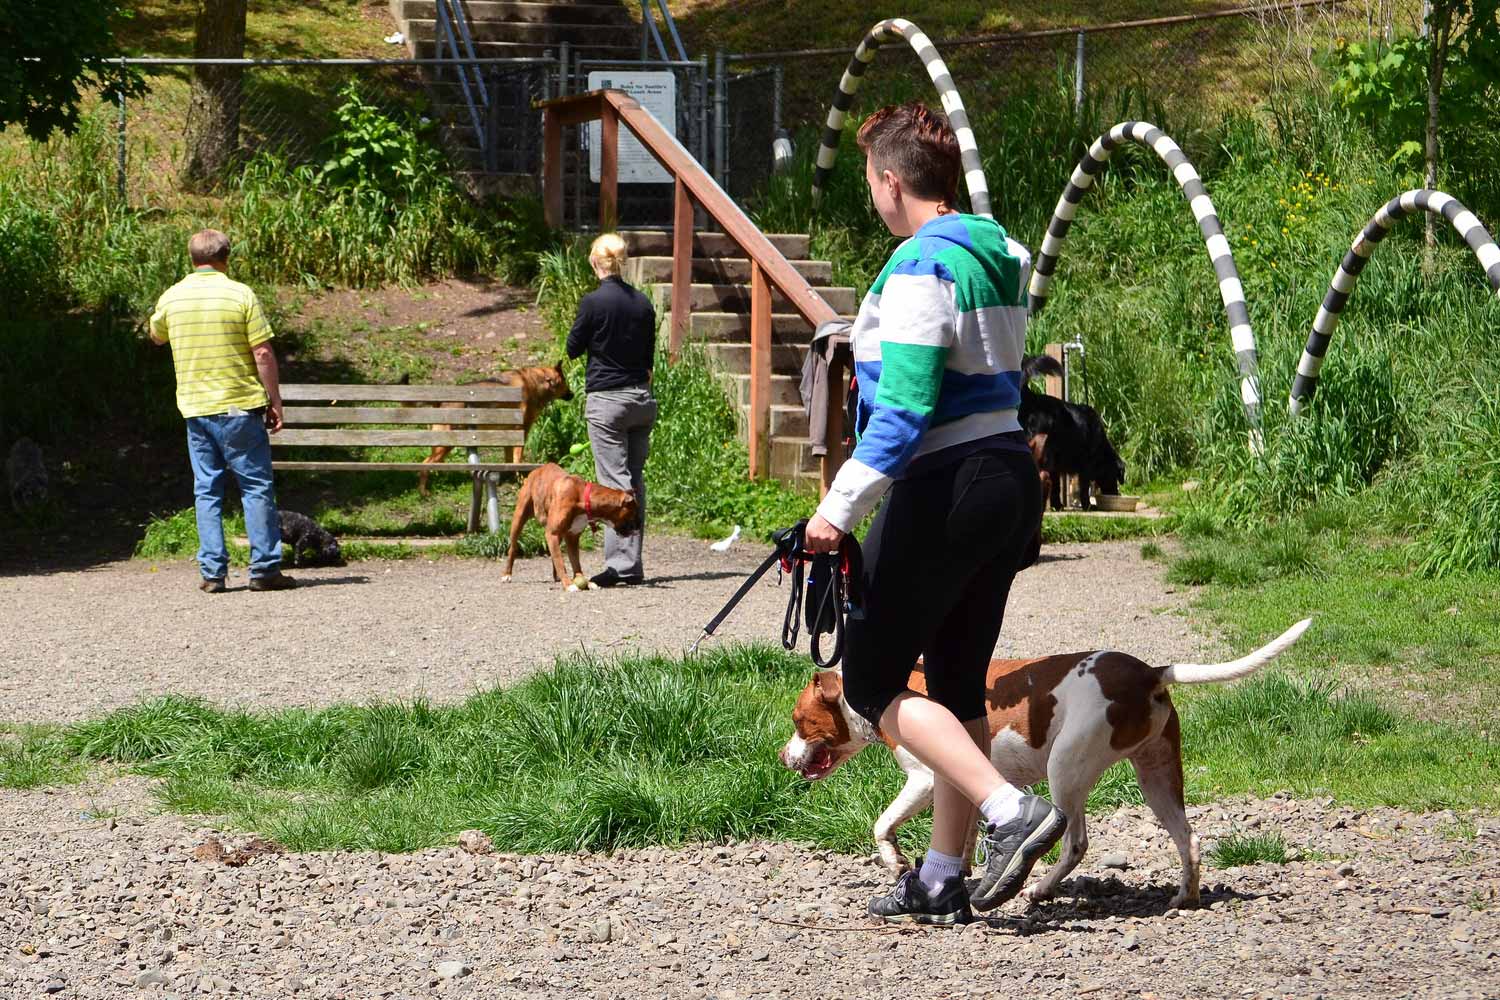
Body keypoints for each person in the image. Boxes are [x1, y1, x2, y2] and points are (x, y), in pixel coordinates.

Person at [802, 103, 1060, 924]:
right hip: (1008, 477)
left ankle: (1010, 812)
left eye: (872, 186)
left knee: (875, 682)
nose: (874, 201)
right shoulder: (996, 252)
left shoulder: (918, 266)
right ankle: (943, 874)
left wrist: (836, 510)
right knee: (954, 682)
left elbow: (906, 408)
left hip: (945, 482)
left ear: (889, 180)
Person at [149, 229, 295, 594]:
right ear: (226, 257)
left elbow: (156, 335)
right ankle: (264, 569)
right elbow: (262, 353)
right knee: (256, 486)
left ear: (191, 258)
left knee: (207, 490)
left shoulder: (173, 296)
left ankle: (213, 572)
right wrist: (274, 400)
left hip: (196, 408)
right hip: (239, 407)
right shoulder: (240, 294)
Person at [566, 233, 657, 588]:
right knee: (634, 479)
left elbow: (573, 348)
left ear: (594, 262)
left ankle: (621, 565)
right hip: (641, 400)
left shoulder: (593, 302)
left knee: (614, 482)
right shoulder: (643, 303)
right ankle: (631, 562)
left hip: (607, 400)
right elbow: (649, 359)